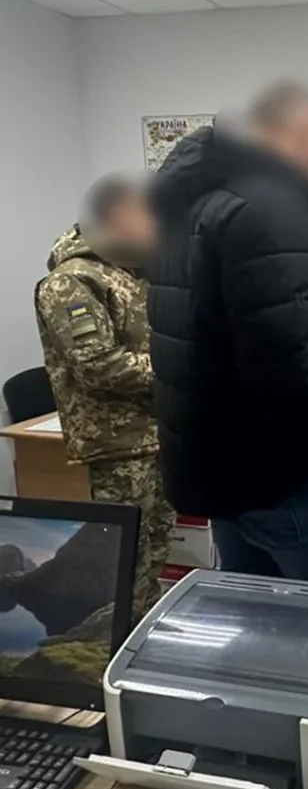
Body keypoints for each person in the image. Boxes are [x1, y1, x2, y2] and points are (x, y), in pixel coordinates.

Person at [147, 81, 308, 586]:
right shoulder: (269, 212)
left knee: (258, 618)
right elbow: (291, 365)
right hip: (288, 476)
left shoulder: (194, 206)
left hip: (228, 470)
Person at [35, 172, 174, 619]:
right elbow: (97, 365)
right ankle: (118, 643)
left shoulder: (132, 272)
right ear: (117, 217)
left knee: (156, 545)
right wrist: (180, 368)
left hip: (156, 433)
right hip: (118, 444)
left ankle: (142, 631)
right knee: (124, 557)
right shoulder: (72, 282)